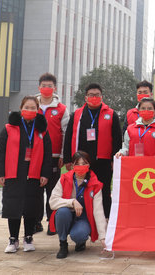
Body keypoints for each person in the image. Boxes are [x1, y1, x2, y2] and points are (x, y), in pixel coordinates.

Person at [0, 96, 52, 253]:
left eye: (33, 108)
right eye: (27, 107)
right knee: (13, 206)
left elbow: (47, 154)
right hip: (14, 173)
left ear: (38, 110)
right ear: (21, 108)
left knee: (31, 207)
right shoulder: (9, 128)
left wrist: (45, 174)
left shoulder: (42, 130)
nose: (30, 110)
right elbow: (0, 152)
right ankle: (13, 239)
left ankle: (28, 237)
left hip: (34, 174)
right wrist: (0, 173)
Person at [63, 83, 122, 218]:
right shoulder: (77, 114)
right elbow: (69, 136)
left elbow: (117, 139)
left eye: (97, 95)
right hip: (82, 162)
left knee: (104, 190)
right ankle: (82, 219)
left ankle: (106, 219)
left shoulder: (111, 114)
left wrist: (114, 160)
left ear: (102, 97)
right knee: (81, 190)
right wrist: (67, 159)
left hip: (103, 161)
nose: (94, 97)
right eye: (91, 95)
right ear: (86, 97)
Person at [49, 151, 107, 259]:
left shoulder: (95, 184)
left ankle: (80, 241)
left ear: (89, 165)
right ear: (72, 165)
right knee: (62, 212)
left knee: (79, 234)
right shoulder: (64, 179)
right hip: (67, 214)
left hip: (83, 218)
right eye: (77, 164)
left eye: (83, 164)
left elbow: (98, 211)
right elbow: (52, 201)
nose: (81, 167)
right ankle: (63, 244)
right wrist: (72, 202)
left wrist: (103, 237)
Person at [36, 72, 70, 234]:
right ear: (39, 87)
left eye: (49, 86)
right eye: (44, 86)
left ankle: (52, 222)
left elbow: (65, 133)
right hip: (34, 156)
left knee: (52, 191)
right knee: (35, 191)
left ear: (55, 88)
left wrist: (63, 155)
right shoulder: (31, 105)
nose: (46, 88)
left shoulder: (61, 109)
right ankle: (35, 222)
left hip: (54, 156)